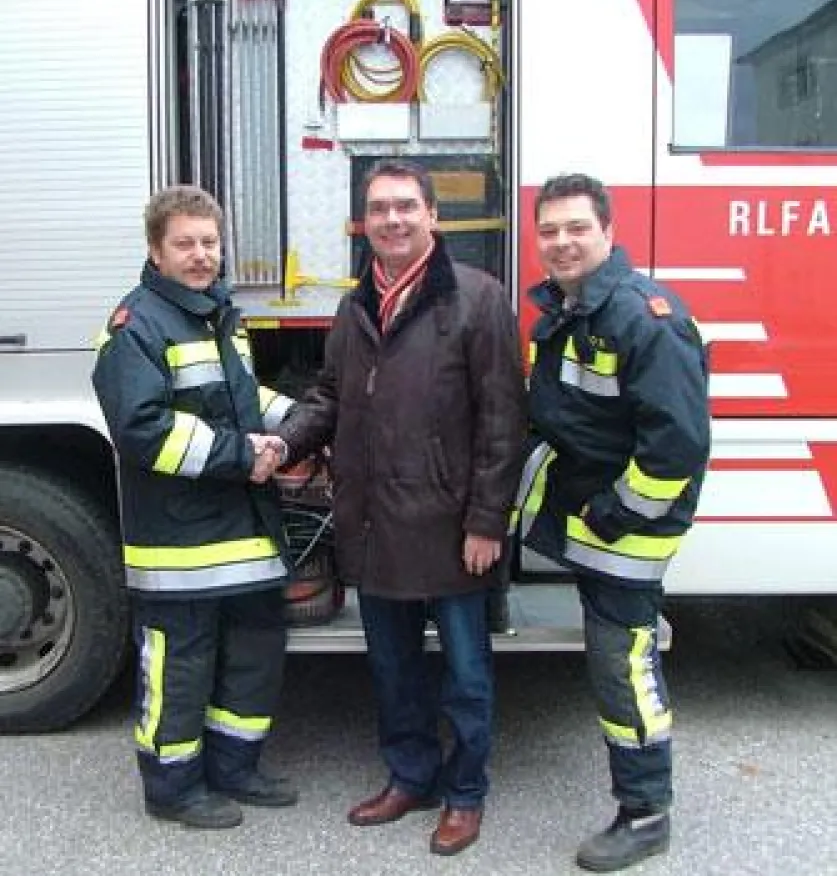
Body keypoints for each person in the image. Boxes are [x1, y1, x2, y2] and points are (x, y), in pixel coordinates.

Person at [273, 159, 526, 855]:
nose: (392, 219)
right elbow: (329, 394)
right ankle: (410, 776)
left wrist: (485, 522)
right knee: (391, 668)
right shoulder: (355, 308)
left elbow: (504, 424)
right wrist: (285, 440)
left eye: (406, 207)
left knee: (467, 676)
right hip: (374, 525)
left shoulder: (477, 299)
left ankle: (465, 794)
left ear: (432, 217)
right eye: (379, 208)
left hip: (450, 530)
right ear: (364, 222)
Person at [92, 185, 299, 829]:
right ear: (156, 250)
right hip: (177, 544)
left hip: (242, 531)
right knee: (180, 664)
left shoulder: (218, 314)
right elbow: (142, 429)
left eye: (209, 242)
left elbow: (237, 400)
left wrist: (300, 424)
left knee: (253, 652)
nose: (201, 254)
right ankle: (173, 788)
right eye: (185, 243)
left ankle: (236, 768)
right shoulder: (137, 325)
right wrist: (244, 455)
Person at [524, 174, 710, 872]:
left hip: (625, 530)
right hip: (601, 521)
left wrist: (615, 513)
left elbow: (678, 445)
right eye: (549, 230)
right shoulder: (578, 309)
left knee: (621, 665)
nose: (562, 241)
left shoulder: (641, 315)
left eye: (576, 227)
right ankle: (642, 801)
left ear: (607, 230)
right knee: (614, 660)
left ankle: (645, 813)